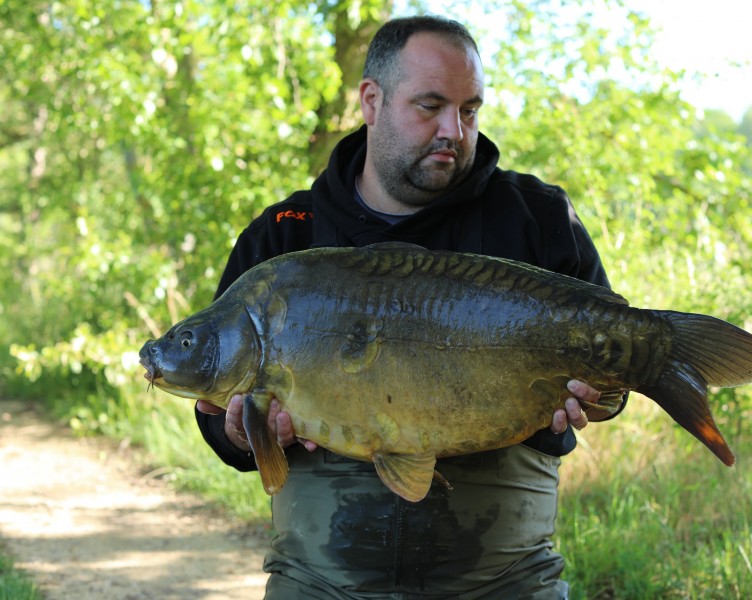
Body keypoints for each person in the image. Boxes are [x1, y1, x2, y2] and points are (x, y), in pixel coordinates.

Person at [195, 15, 626, 599]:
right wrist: (244, 434)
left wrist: (596, 399)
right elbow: (217, 413)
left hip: (504, 578)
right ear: (371, 101)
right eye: (431, 106)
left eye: (469, 110)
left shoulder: (538, 220)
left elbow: (612, 376)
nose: (454, 129)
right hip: (321, 579)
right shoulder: (285, 237)